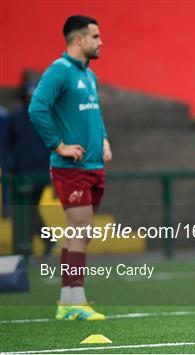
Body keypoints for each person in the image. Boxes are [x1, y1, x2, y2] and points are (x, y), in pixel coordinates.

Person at [29, 15, 111, 319]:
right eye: (96, 37)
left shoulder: (90, 76)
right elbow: (37, 107)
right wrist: (58, 145)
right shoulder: (59, 71)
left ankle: (68, 300)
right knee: (80, 229)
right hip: (70, 167)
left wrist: (103, 140)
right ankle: (75, 298)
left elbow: (96, 113)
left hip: (93, 165)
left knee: (81, 232)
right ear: (78, 40)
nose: (101, 42)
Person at [4, 71, 55, 259]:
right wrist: (11, 166)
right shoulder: (15, 119)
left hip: (39, 173)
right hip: (21, 173)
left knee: (29, 210)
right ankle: (35, 246)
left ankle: (36, 245)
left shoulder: (45, 118)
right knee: (26, 210)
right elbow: (7, 145)